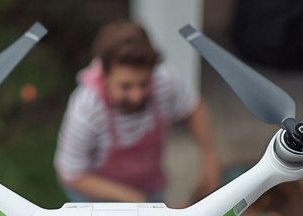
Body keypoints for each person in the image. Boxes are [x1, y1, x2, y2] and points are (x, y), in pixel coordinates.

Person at [54, 19, 221, 204]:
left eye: (144, 83)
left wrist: (209, 155)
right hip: (97, 198)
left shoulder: (165, 80)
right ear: (105, 75)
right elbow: (71, 174)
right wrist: (127, 196)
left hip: (149, 186)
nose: (137, 96)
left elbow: (193, 108)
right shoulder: (86, 108)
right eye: (126, 86)